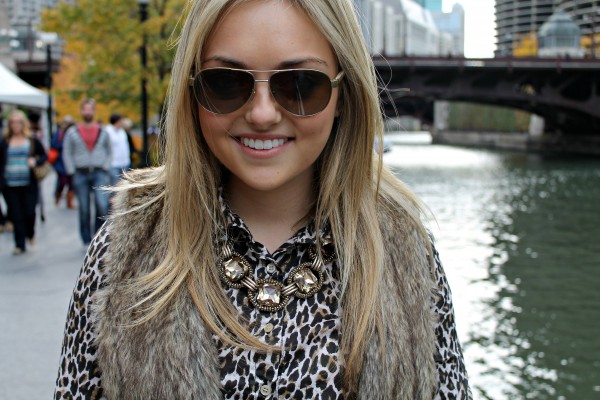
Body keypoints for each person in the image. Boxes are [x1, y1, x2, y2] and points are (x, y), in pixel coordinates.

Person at [55, 1, 471, 399]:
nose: (262, 114)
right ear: (192, 91)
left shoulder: (404, 245)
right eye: (225, 83)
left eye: (300, 85)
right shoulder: (125, 244)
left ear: (343, 93)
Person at [62, 98, 112, 246]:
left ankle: (98, 236)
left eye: (90, 109)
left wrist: (106, 166)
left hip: (99, 172)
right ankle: (85, 239)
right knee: (84, 208)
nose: (88, 112)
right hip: (80, 173)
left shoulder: (103, 131)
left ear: (94, 111)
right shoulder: (72, 132)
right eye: (85, 109)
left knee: (101, 205)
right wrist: (71, 170)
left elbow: (109, 151)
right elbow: (67, 152)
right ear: (81, 111)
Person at [0, 110, 47, 254]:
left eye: (18, 122)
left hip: (29, 183)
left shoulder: (31, 139)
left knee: (30, 212)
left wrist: (35, 161)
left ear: (23, 123)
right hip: (10, 184)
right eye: (13, 122)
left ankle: (30, 233)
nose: (15, 125)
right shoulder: (5, 141)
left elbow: (43, 155)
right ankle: (19, 244)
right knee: (16, 214)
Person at [50, 115, 76, 208]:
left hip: (72, 161)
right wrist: (64, 145)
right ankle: (58, 195)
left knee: (71, 182)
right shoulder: (59, 133)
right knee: (62, 181)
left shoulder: (73, 133)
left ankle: (69, 202)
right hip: (60, 161)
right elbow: (53, 144)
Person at [105, 113, 133, 185]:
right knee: (115, 185)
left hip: (124, 162)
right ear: (117, 121)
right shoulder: (108, 131)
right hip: (113, 163)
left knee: (124, 184)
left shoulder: (122, 131)